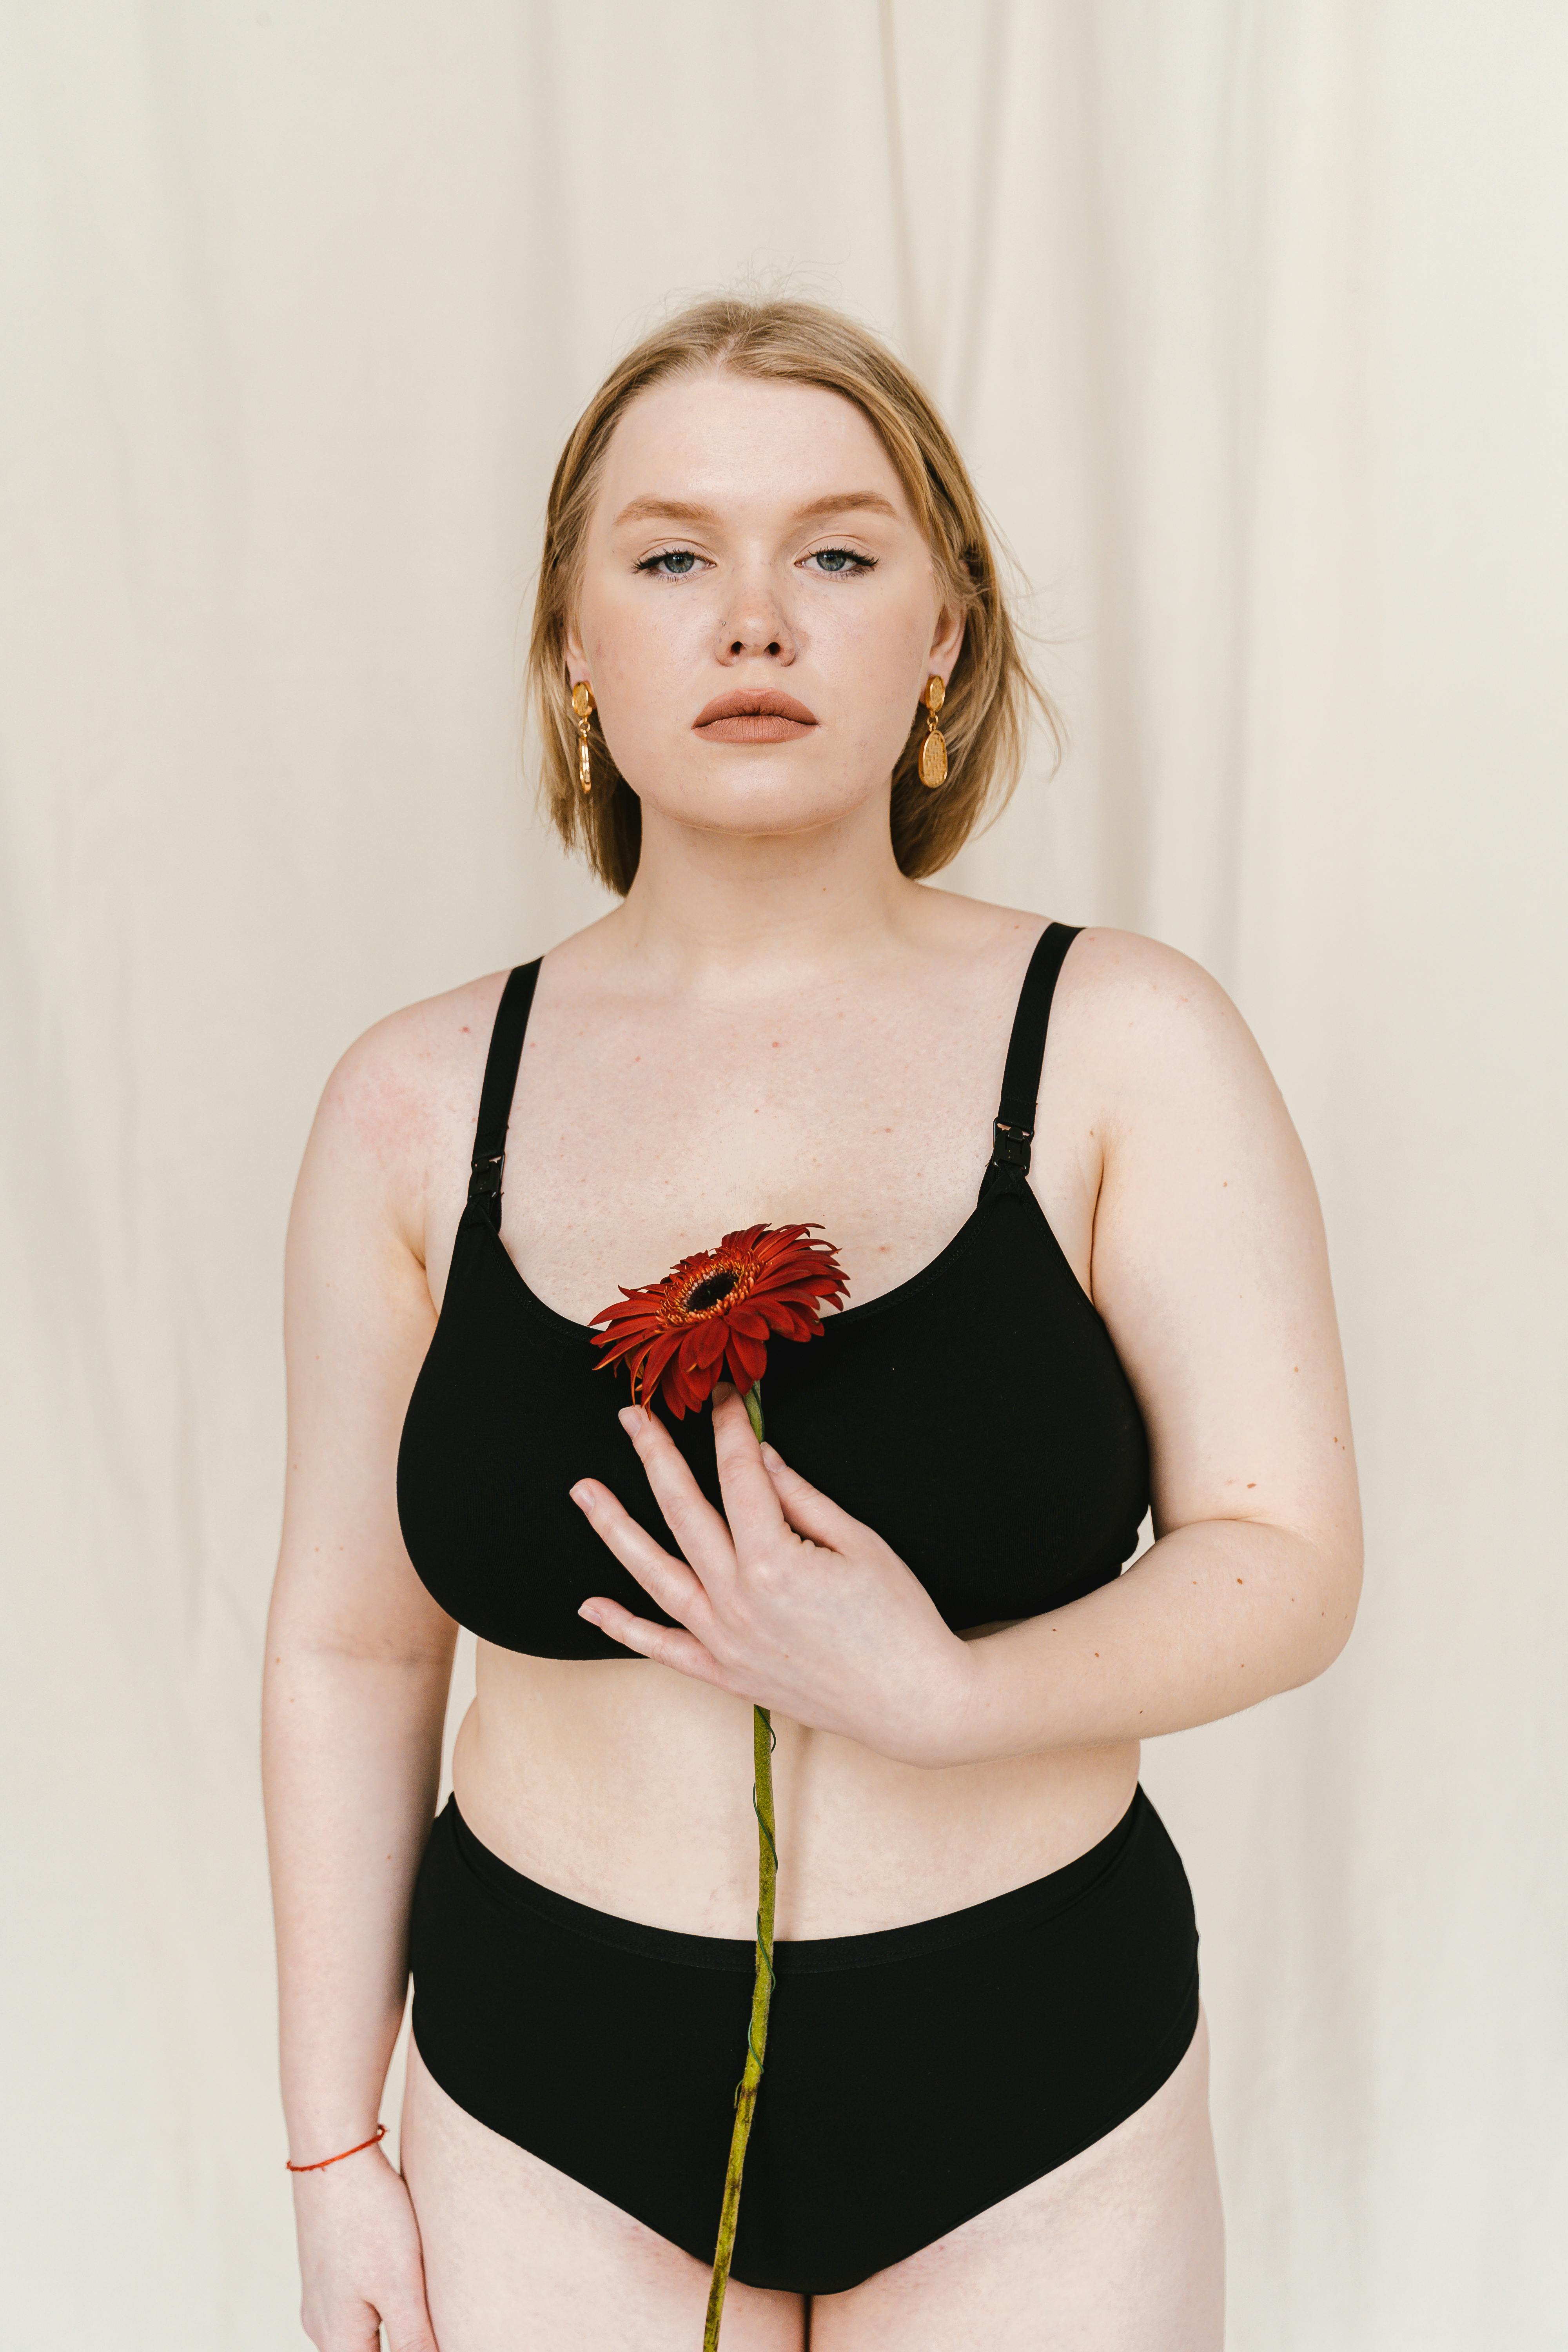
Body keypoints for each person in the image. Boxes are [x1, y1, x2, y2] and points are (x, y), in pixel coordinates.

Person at [263, 296, 1362, 2352]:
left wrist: (943, 1692)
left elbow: (1286, 1561)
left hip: (1036, 2079)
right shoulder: (416, 1104)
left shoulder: (1126, 1041)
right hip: (540, 2098)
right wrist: (333, 2152)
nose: (753, 618)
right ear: (577, 648)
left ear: (939, 637)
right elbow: (347, 1643)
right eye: (672, 556)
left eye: (839, 554)